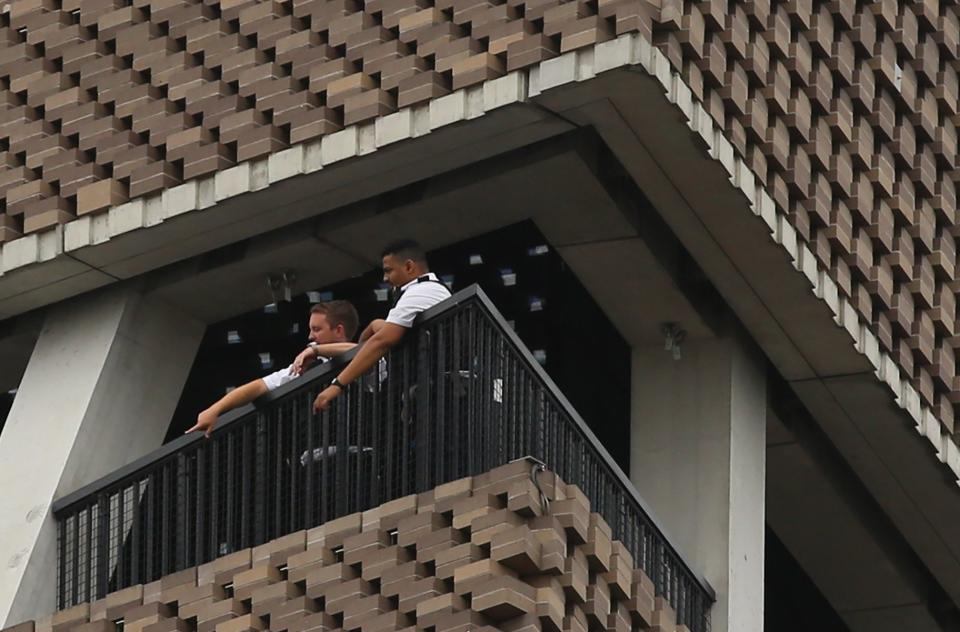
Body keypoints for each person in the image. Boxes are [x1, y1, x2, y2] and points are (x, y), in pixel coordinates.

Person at [312, 239, 451, 411]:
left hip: (438, 400)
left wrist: (337, 385)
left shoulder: (423, 291)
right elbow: (381, 335)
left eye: (388, 271)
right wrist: (373, 327)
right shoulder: (420, 290)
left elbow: (382, 341)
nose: (385, 278)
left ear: (409, 267)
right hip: (426, 396)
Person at [187, 300, 359, 437]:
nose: (310, 336)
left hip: (359, 455)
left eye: (317, 329)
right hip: (314, 460)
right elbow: (258, 386)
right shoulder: (306, 366)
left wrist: (315, 350)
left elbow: (360, 351)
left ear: (338, 330)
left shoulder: (371, 357)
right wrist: (214, 410)